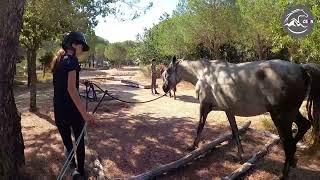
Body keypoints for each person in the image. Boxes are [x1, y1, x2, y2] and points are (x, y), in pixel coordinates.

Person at [51, 32, 95, 179]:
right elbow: (71, 89)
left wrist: (81, 82)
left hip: (59, 111)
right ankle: (81, 172)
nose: (82, 48)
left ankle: (74, 170)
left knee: (68, 144)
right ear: (73, 45)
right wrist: (85, 113)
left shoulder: (60, 61)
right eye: (81, 45)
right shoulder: (72, 60)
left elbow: (64, 82)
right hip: (73, 111)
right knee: (79, 142)